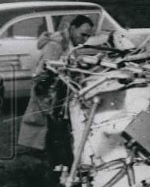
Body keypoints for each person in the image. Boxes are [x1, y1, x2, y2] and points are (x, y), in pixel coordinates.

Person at [18, 14, 94, 167]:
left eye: (88, 36)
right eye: (83, 34)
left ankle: (56, 170)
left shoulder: (69, 44)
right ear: (72, 29)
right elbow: (41, 76)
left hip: (59, 99)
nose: (85, 39)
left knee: (56, 140)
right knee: (52, 140)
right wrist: (50, 103)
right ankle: (54, 174)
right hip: (49, 100)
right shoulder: (55, 46)